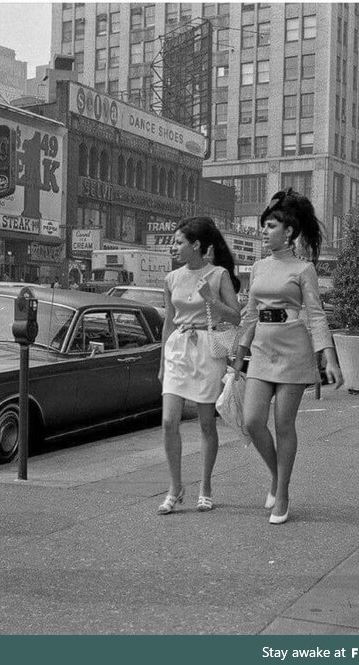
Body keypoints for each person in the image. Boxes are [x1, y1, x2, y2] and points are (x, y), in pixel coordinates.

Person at [233, 189, 344, 525]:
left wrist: (330, 358)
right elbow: (250, 314)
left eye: (270, 226)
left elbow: (315, 315)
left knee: (283, 425)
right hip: (262, 350)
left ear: (289, 232)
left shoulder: (304, 269)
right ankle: (276, 476)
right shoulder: (257, 267)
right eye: (263, 226)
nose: (264, 232)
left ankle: (282, 493)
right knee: (252, 421)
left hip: (294, 350)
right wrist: (238, 353)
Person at [158, 216, 241, 514]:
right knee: (169, 421)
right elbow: (168, 322)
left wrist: (210, 300)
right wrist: (161, 363)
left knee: (206, 422)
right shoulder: (171, 278)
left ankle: (205, 486)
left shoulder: (218, 275)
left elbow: (236, 316)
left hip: (207, 349)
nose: (174, 246)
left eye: (179, 242)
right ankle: (175, 488)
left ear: (195, 245)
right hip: (177, 349)